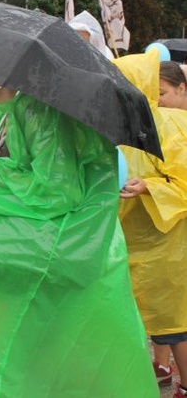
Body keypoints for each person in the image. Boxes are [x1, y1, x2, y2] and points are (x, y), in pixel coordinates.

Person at [0, 58, 158, 396]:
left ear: (0, 70)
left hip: (68, 243)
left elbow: (56, 189)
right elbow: (37, 169)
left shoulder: (40, 113)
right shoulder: (16, 111)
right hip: (69, 244)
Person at [115, 52, 187, 396]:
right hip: (128, 238)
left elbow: (184, 181)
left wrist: (149, 186)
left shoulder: (171, 125)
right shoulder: (124, 126)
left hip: (165, 245)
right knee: (134, 320)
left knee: (174, 325)